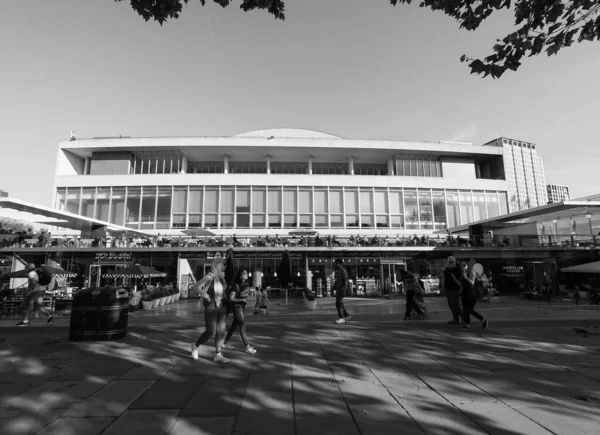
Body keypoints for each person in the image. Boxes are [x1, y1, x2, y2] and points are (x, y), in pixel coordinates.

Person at [190, 256, 231, 363]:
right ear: (217, 265)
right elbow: (196, 287)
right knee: (211, 331)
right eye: (223, 264)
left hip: (221, 307)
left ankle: (218, 354)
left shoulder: (221, 277)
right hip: (211, 307)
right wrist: (206, 296)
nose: (225, 267)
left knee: (221, 331)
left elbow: (224, 290)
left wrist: (223, 281)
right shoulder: (210, 276)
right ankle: (195, 345)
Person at [222, 269, 257, 354]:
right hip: (237, 307)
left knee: (234, 325)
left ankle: (225, 343)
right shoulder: (236, 285)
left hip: (240, 307)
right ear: (240, 276)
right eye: (244, 273)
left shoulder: (244, 285)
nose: (246, 274)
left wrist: (248, 293)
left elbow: (242, 294)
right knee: (242, 325)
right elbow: (231, 298)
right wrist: (242, 300)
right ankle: (247, 347)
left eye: (246, 273)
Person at [459, 261, 488, 331]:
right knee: (465, 310)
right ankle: (467, 325)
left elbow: (472, 283)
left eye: (464, 265)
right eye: (461, 265)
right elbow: (462, 284)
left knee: (469, 309)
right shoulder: (463, 273)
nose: (462, 266)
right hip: (464, 293)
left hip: (471, 294)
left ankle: (483, 319)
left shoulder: (471, 272)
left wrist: (465, 277)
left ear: (467, 265)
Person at [443, 256, 463, 324]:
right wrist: (443, 287)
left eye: (452, 261)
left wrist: (461, 288)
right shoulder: (446, 269)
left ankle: (463, 317)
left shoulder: (458, 269)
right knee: (451, 304)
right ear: (448, 262)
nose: (451, 263)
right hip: (448, 289)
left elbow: (461, 281)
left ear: (455, 262)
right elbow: (444, 279)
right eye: (450, 261)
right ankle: (455, 318)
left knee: (456, 304)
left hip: (455, 289)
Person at [333, 259, 351, 324]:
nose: (335, 264)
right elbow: (337, 280)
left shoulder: (343, 271)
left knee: (339, 304)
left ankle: (341, 318)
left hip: (342, 289)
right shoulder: (338, 271)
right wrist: (334, 286)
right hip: (338, 289)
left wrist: (344, 290)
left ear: (340, 264)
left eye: (336, 263)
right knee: (339, 303)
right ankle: (346, 315)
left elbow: (346, 281)